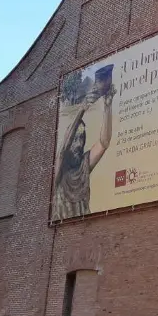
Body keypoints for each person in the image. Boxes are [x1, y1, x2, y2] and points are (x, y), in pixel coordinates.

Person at [52, 85, 115, 221]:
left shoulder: (83, 165)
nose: (79, 143)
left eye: (82, 138)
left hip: (84, 230)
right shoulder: (58, 171)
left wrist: (107, 107)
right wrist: (81, 109)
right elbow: (63, 150)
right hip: (63, 233)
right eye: (75, 138)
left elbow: (104, 142)